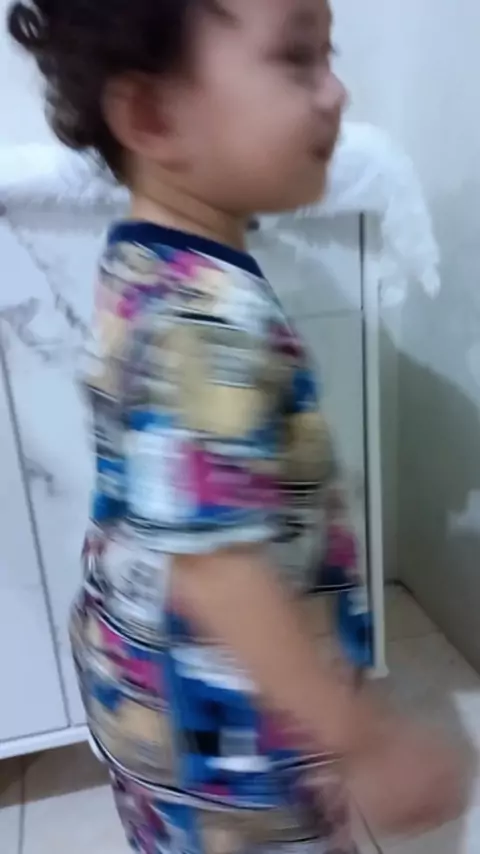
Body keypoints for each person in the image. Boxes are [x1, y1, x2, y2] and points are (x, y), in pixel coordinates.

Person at [8, 1, 467, 852]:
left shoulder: (147, 259)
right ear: (153, 116)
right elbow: (219, 575)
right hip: (221, 738)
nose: (336, 92)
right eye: (296, 60)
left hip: (143, 682)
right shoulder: (206, 320)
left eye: (329, 55)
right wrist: (366, 740)